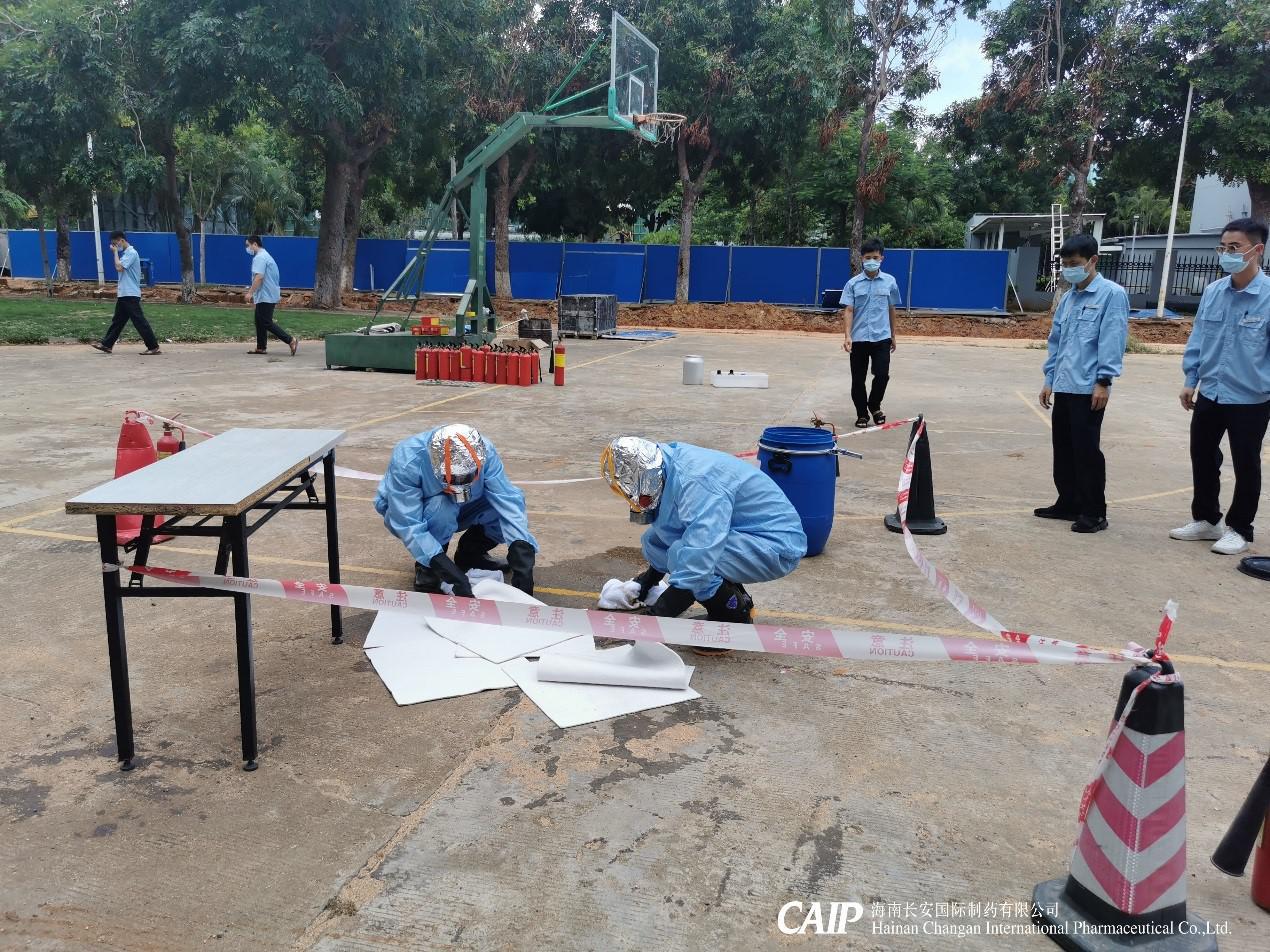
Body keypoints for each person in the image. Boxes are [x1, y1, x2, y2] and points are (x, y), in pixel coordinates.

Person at [600, 436, 807, 653]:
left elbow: (698, 558)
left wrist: (651, 623)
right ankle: (732, 595)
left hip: (775, 544)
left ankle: (733, 617)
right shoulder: (668, 466)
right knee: (654, 540)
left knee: (686, 557)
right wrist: (645, 584)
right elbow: (669, 533)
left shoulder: (697, 482)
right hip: (743, 534)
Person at [1170, 217, 1269, 556]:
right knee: (1202, 456)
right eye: (1223, 247)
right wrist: (1191, 379)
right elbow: (1199, 338)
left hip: (1251, 397)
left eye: (1234, 247)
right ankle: (1206, 519)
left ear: (1257, 250)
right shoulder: (1214, 292)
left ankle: (1240, 528)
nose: (1227, 254)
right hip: (1211, 392)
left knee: (1246, 463)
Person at [1035, 232, 1129, 534]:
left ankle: (1094, 512)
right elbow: (1056, 342)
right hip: (1064, 384)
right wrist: (1049, 379)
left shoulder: (1112, 295)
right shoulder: (1069, 298)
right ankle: (1068, 502)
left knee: (1086, 451)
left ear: (1092, 261)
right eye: (1065, 264)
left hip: (1089, 388)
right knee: (1063, 448)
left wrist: (1104, 381)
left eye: (1074, 263)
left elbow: (1112, 340)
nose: (1069, 269)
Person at [375, 424, 537, 596]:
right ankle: (428, 568)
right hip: (421, 512)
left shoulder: (485, 452)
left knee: (500, 507)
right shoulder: (407, 460)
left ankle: (470, 554)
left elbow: (507, 500)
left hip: (465, 507)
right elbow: (408, 521)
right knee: (442, 506)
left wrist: (521, 549)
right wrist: (438, 563)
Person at [841, 237, 900, 428]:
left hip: (881, 337)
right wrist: (847, 336)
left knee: (882, 375)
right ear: (862, 258)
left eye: (875, 257)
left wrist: (893, 335)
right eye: (868, 258)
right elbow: (849, 310)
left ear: (882, 258)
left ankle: (874, 405)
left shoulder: (890, 282)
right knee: (858, 379)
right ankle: (862, 414)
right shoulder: (853, 284)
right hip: (858, 338)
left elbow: (891, 309)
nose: (871, 261)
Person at [90, 231, 162, 356]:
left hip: (130, 293)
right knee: (118, 321)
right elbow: (120, 267)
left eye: (115, 243)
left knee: (139, 320)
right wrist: (117, 253)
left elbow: (119, 268)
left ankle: (153, 346)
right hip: (124, 293)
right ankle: (107, 344)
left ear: (121, 240)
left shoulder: (132, 253)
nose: (114, 246)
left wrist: (115, 253)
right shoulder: (126, 254)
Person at [243, 235, 297, 356]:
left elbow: (259, 277)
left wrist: (250, 292)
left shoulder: (260, 257)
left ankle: (290, 340)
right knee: (259, 320)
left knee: (266, 322)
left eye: (248, 245)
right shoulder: (265, 255)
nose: (247, 248)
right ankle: (261, 347)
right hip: (267, 293)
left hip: (266, 294)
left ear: (255, 244)